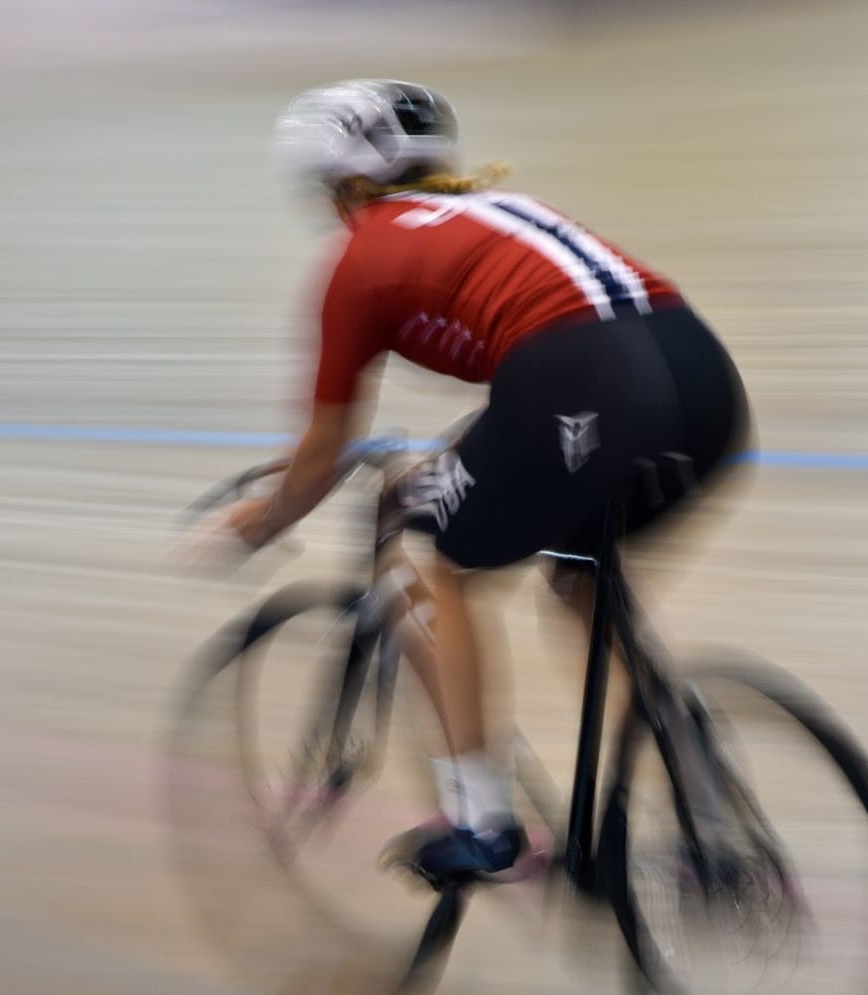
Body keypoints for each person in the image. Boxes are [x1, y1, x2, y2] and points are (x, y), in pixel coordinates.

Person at [202, 79, 749, 879]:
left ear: (343, 187)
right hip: (702, 382)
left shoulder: (360, 257)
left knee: (418, 558)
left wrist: (258, 522)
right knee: (578, 582)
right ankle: (701, 802)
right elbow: (532, 399)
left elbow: (323, 453)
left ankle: (481, 825)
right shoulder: (496, 211)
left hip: (584, 386)